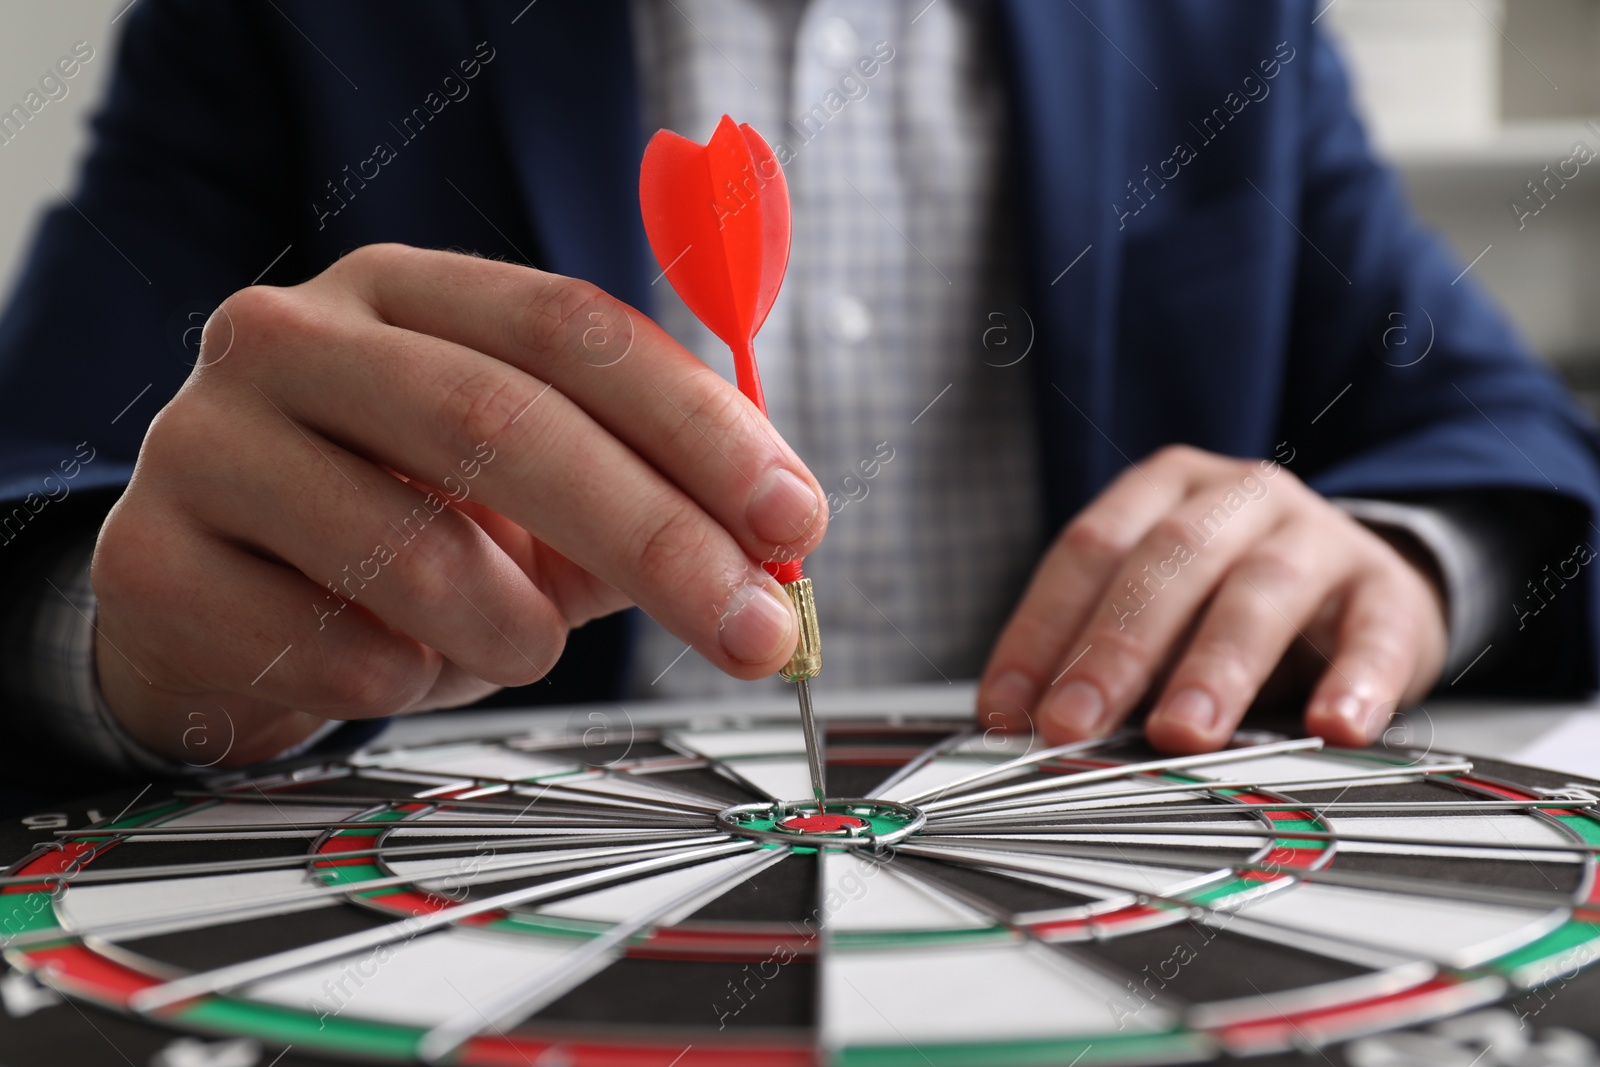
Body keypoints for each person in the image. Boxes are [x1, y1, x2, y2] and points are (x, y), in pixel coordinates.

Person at [0, 0, 1594, 777]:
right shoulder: (282, 20)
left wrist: (1401, 555)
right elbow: (36, 483)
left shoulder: (1218, 25)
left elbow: (1506, 447)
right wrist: (113, 631)